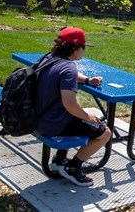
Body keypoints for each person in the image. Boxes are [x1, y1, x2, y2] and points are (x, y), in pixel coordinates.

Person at [36, 27, 112, 187]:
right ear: (76, 48)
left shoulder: (50, 58)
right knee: (105, 133)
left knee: (90, 112)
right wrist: (87, 117)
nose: (84, 51)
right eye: (84, 47)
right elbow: (70, 104)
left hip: (38, 117)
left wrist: (87, 80)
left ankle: (59, 160)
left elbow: (64, 75)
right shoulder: (69, 68)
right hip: (53, 123)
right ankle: (73, 167)